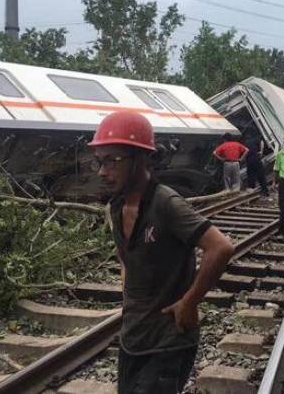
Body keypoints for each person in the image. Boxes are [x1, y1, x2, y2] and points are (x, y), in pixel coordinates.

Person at [89, 111, 234, 394]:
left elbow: (220, 247)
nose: (102, 171)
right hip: (133, 339)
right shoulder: (115, 207)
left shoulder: (166, 203)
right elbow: (127, 262)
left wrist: (189, 302)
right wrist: (132, 302)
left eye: (112, 161)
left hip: (168, 342)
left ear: (141, 160)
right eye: (100, 161)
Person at [243, 128, 269, 197]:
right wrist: (261, 151)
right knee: (261, 176)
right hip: (257, 159)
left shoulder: (245, 142)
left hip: (249, 161)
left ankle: (252, 192)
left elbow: (245, 152)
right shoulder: (255, 139)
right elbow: (262, 142)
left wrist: (242, 159)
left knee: (251, 176)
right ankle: (265, 192)